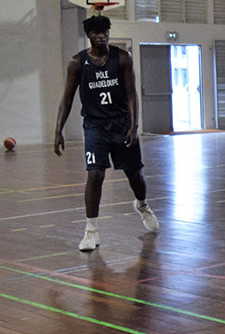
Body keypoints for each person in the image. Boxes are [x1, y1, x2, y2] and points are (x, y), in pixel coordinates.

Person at [54, 15, 157, 252]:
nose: (102, 36)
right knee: (95, 175)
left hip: (121, 124)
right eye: (97, 32)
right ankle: (91, 231)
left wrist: (133, 126)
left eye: (106, 32)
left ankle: (142, 205)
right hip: (95, 126)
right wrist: (57, 130)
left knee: (135, 176)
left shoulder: (122, 58)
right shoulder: (77, 63)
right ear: (88, 35)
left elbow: (131, 94)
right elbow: (66, 99)